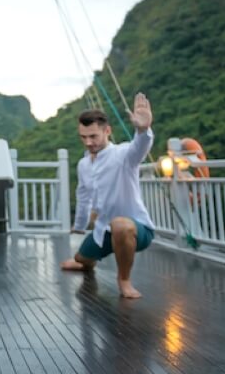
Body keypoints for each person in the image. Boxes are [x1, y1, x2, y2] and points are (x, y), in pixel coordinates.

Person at [60, 93, 155, 299]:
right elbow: (83, 197)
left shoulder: (122, 155)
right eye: (83, 137)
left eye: (93, 136)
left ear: (107, 131)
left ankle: (124, 280)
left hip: (137, 228)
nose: (88, 142)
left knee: (120, 224)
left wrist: (143, 130)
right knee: (80, 259)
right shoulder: (84, 164)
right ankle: (88, 260)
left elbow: (139, 148)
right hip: (104, 231)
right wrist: (79, 226)